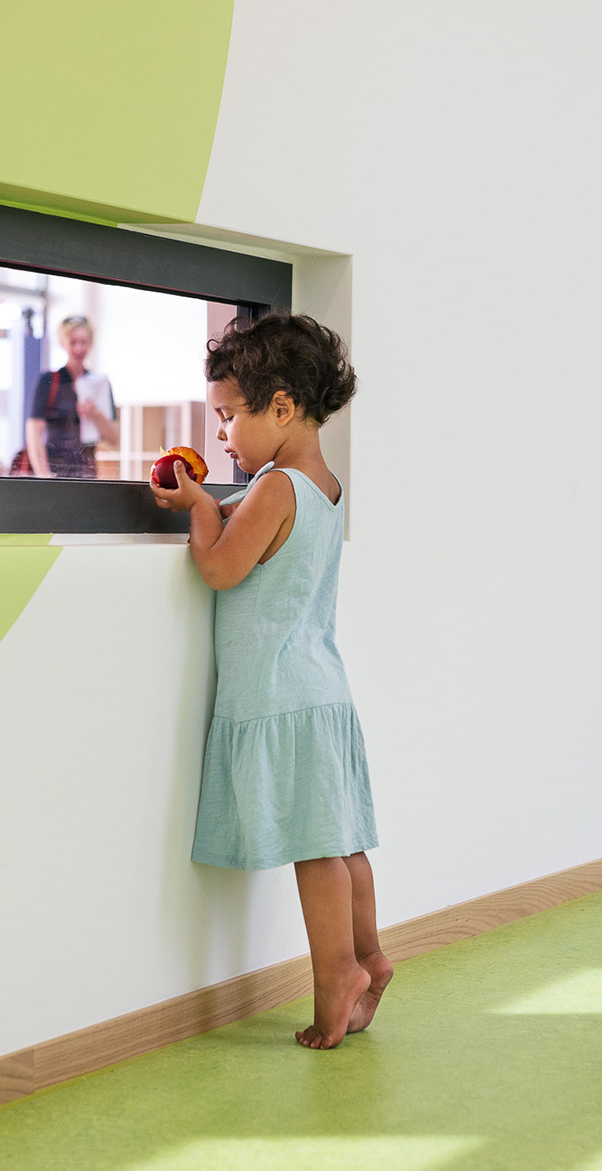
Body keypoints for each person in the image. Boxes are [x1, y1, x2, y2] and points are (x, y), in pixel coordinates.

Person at [150, 312, 392, 1050]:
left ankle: (335, 982)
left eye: (229, 417)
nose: (222, 435)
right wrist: (222, 503)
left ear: (281, 407)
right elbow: (267, 543)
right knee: (342, 842)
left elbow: (223, 567)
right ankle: (369, 955)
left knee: (315, 853)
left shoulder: (275, 487)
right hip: (321, 688)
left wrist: (197, 509)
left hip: (280, 695)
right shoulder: (319, 485)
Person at [25, 315, 118, 478]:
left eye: (84, 342)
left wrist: (95, 414)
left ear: (91, 343)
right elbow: (33, 433)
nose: (78, 348)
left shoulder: (100, 384)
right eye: (73, 342)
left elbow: (114, 438)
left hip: (87, 474)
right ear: (63, 343)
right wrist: (44, 476)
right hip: (54, 472)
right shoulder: (48, 381)